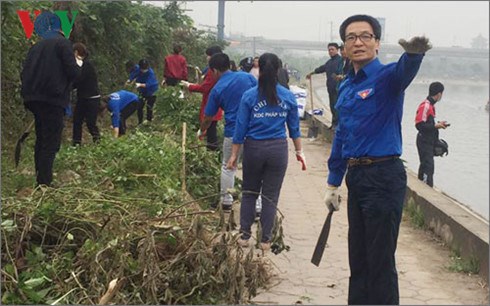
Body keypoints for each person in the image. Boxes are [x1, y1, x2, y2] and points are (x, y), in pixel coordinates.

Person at [323, 14, 431, 305]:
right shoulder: (346, 88)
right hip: (356, 176)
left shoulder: (386, 78)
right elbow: (342, 136)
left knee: (380, 259)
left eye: (365, 36)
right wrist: (333, 183)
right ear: (344, 46)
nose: (358, 42)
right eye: (351, 37)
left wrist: (414, 54)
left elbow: (404, 72)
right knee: (358, 257)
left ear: (377, 43)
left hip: (384, 176)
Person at [226, 53, 306, 250]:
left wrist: (234, 155)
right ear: (279, 70)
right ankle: (265, 240)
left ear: (259, 69)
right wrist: (299, 151)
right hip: (278, 150)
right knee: (270, 196)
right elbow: (294, 128)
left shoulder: (249, 96)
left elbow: (240, 129)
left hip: (254, 148)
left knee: (249, 192)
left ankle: (245, 236)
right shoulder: (287, 96)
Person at [21, 12, 80, 187]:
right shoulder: (63, 44)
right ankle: (45, 184)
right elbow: (73, 72)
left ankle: (40, 179)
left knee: (41, 138)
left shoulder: (37, 46)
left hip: (33, 98)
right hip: (52, 99)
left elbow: (24, 71)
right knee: (50, 141)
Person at [198, 53, 257, 211]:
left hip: (233, 132)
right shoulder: (247, 78)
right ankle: (257, 206)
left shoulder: (217, 89)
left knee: (228, 166)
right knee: (253, 168)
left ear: (215, 71)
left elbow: (208, 117)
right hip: (254, 132)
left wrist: (201, 131)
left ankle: (226, 201)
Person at [180, 45, 224, 151]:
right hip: (216, 102)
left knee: (210, 128)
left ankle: (212, 150)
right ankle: (212, 149)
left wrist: (189, 86)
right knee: (211, 127)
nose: (207, 58)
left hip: (211, 102)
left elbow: (205, 87)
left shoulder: (212, 71)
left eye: (208, 55)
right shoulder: (219, 70)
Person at [415, 82, 448, 187]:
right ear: (439, 94)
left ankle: (422, 186)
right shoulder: (426, 106)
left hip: (428, 141)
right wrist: (435, 126)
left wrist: (438, 124)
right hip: (423, 141)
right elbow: (419, 125)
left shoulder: (431, 106)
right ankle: (426, 188)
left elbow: (427, 124)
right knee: (428, 166)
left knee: (426, 166)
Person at [306, 42, 342, 127]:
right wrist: (313, 72)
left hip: (338, 88)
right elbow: (322, 68)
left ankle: (338, 124)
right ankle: (334, 123)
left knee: (337, 107)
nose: (330, 51)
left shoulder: (340, 61)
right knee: (332, 106)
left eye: (332, 49)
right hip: (330, 87)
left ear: (337, 50)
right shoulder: (329, 62)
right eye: (329, 50)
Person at [72, 42, 101, 146]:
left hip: (92, 98)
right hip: (82, 98)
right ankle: (76, 143)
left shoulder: (86, 65)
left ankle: (98, 142)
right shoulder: (81, 64)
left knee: (90, 123)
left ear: (76, 52)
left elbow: (79, 80)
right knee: (77, 121)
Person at [135, 59, 159, 123]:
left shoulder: (151, 73)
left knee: (149, 107)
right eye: (142, 68)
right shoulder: (138, 70)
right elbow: (133, 74)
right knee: (139, 106)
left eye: (145, 68)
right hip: (142, 91)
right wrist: (130, 80)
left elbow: (148, 85)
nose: (144, 70)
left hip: (152, 91)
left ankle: (149, 122)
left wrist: (139, 84)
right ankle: (140, 122)